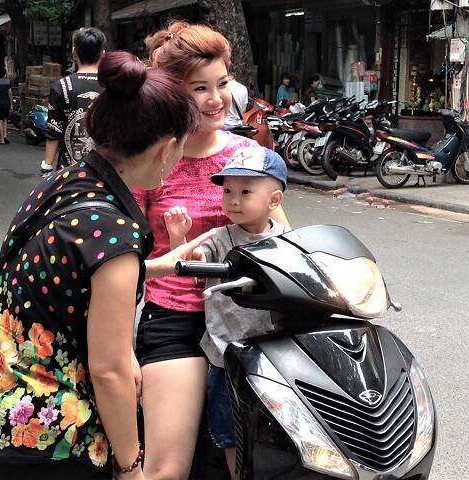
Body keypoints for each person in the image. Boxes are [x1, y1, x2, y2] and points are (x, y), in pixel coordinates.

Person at [0, 50, 210, 480]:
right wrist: (131, 466)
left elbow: (61, 276)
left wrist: (156, 266)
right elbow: (110, 371)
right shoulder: (115, 234)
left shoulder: (62, 183)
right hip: (47, 443)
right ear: (167, 147)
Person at [134, 21, 290, 480]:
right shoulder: (152, 161)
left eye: (222, 84)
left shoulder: (248, 155)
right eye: (199, 88)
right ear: (172, 95)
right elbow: (126, 263)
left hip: (250, 323)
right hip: (176, 321)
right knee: (168, 469)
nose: (216, 99)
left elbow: (283, 241)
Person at [164, 145, 288, 479]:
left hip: (274, 352)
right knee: (229, 428)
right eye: (228, 191)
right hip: (227, 353)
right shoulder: (220, 238)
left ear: (274, 200)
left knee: (277, 424)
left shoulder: (287, 241)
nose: (233, 200)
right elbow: (196, 261)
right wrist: (179, 238)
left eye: (246, 192)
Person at [41, 27, 106, 175]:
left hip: (69, 173)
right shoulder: (111, 85)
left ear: (74, 52)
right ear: (103, 54)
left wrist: (46, 168)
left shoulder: (62, 86)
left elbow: (54, 132)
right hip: (107, 173)